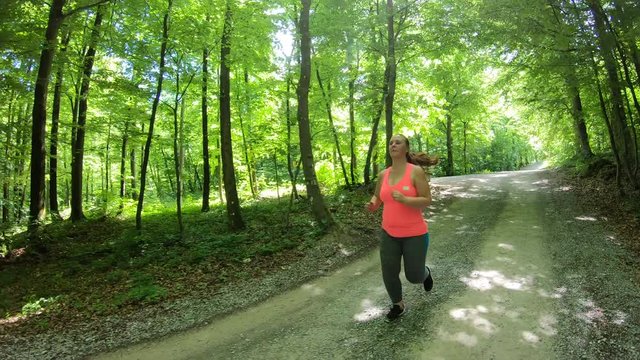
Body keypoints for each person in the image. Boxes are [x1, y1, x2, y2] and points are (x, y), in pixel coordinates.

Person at [366, 134, 439, 321]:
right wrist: (373, 205)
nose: (393, 145)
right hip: (389, 233)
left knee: (414, 276)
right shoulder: (383, 174)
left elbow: (427, 199)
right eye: (390, 142)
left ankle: (425, 273)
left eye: (397, 142)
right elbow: (378, 197)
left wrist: (406, 200)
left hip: (414, 234)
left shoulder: (415, 172)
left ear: (406, 148)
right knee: (389, 271)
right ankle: (397, 304)